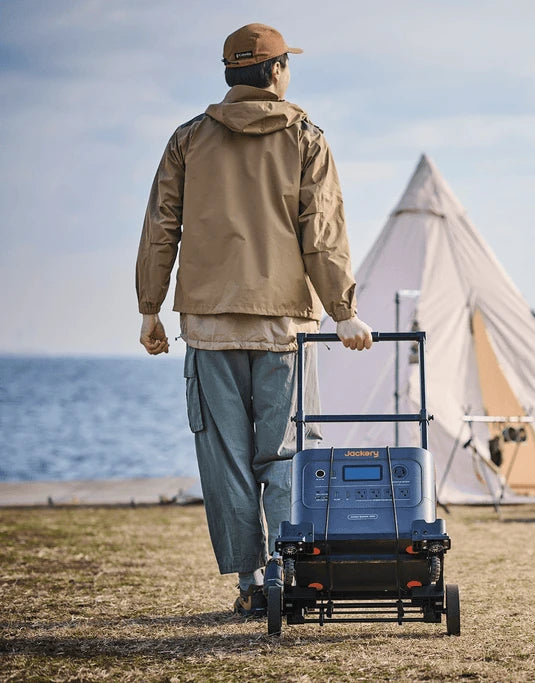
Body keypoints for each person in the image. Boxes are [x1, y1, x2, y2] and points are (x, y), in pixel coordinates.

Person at [135, 23, 372, 617]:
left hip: (208, 328)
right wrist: (344, 311)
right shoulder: (307, 139)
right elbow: (322, 234)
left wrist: (149, 308)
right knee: (289, 452)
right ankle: (288, 571)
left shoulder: (186, 140)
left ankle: (250, 581)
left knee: (226, 461)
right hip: (284, 331)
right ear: (275, 72)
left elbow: (161, 227)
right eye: (286, 63)